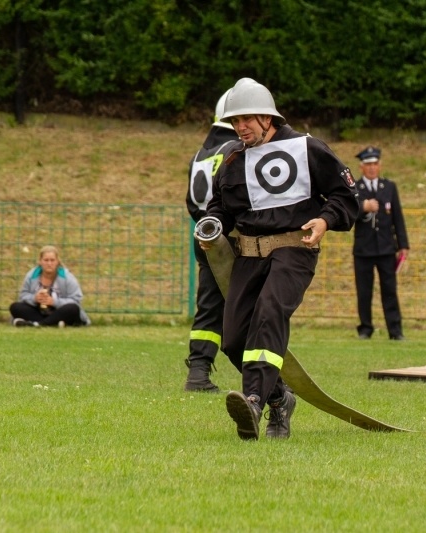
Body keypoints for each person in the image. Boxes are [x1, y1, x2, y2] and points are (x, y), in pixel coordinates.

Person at [199, 77, 359, 440]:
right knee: (233, 338)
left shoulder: (308, 148)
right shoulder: (232, 161)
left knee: (269, 314)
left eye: (247, 119)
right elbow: (221, 208)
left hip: (294, 250)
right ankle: (279, 399)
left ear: (268, 118)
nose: (240, 127)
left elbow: (346, 196)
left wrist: (325, 219)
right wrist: (212, 224)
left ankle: (253, 399)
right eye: (234, 121)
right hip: (248, 256)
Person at [183, 89, 239, 392]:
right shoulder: (235, 148)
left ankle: (198, 372)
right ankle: (264, 376)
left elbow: (192, 202)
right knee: (249, 303)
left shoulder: (201, 153)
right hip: (231, 235)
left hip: (204, 234)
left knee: (208, 304)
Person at [352, 146, 410, 341]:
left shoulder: (389, 187)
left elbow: (397, 218)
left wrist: (403, 245)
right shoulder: (355, 189)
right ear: (361, 167)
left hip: (386, 248)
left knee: (389, 290)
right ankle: (365, 329)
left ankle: (395, 330)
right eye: (368, 164)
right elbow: (348, 214)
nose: (372, 168)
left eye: (375, 164)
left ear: (380, 165)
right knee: (364, 291)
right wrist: (363, 208)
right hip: (363, 249)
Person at [9, 245, 91, 327]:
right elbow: (23, 296)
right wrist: (35, 298)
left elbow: (76, 300)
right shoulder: (31, 275)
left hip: (59, 311)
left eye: (52, 260)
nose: (49, 263)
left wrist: (54, 302)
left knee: (73, 309)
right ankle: (52, 323)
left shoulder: (67, 277)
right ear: (40, 261)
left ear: (57, 262)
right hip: (38, 312)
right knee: (15, 307)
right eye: (46, 260)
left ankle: (37, 323)